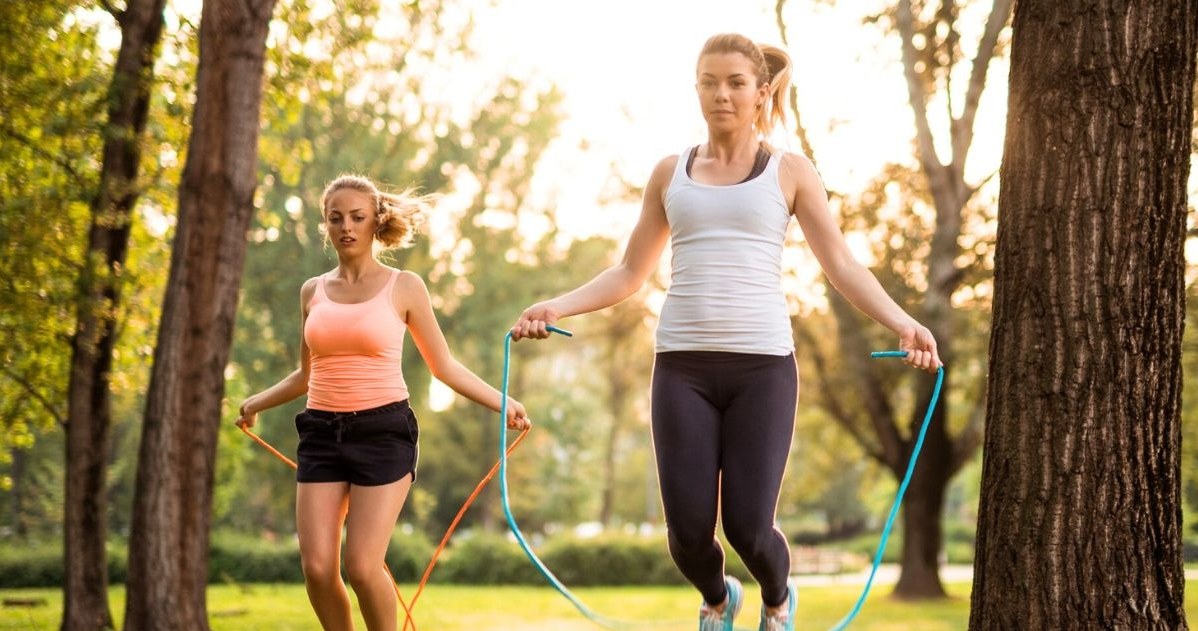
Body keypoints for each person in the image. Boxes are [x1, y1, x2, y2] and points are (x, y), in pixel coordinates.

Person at [510, 33, 941, 631]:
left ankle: (776, 599)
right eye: (710, 82)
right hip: (681, 367)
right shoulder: (671, 173)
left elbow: (840, 264)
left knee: (747, 525)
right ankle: (718, 599)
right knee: (686, 535)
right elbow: (631, 271)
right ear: (696, 90)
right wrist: (555, 306)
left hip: (762, 367)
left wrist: (904, 320)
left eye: (736, 82)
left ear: (762, 92)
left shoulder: (789, 171)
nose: (722, 93)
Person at [235, 174, 530, 631]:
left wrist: (502, 401)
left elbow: (444, 366)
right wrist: (256, 402)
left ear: (377, 222)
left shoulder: (404, 286)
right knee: (316, 567)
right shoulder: (312, 292)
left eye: (357, 217)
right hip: (320, 432)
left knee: (362, 565)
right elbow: (307, 373)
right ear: (326, 226)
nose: (346, 227)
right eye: (336, 219)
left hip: (383, 433)